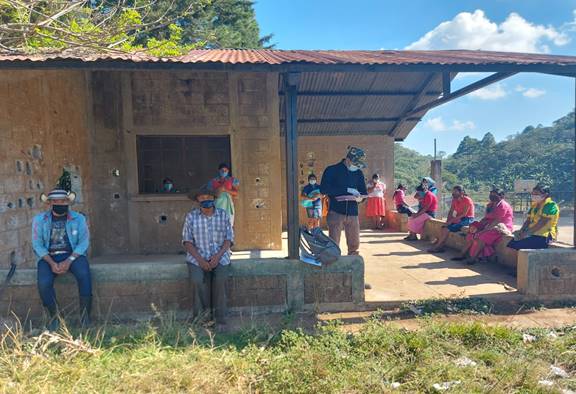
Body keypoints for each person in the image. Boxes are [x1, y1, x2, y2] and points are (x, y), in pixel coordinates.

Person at [32, 189, 92, 331]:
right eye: (56, 201)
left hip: (73, 255)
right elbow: (37, 244)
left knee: (84, 274)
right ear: (50, 203)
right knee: (44, 282)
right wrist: (52, 263)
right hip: (48, 256)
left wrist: (69, 260)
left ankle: (85, 317)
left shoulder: (78, 218)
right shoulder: (39, 220)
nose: (60, 203)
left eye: (63, 201)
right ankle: (56, 317)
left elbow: (84, 242)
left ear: (68, 202)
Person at [182, 186, 234, 327]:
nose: (206, 200)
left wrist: (217, 257)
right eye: (202, 197)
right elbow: (187, 241)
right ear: (197, 200)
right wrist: (200, 260)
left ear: (214, 199)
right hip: (197, 257)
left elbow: (228, 239)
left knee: (221, 279)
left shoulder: (223, 215)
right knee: (197, 280)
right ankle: (202, 319)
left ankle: (220, 320)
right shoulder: (191, 217)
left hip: (220, 256)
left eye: (209, 197)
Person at [320, 146, 368, 256]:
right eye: (355, 164)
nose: (356, 167)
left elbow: (363, 192)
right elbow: (324, 189)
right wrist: (346, 190)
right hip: (336, 211)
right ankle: (333, 261)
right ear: (348, 160)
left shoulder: (358, 173)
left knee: (354, 242)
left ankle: (353, 261)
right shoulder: (332, 170)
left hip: (352, 212)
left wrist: (360, 198)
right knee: (334, 242)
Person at [452, 188, 514, 264]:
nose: (492, 195)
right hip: (490, 224)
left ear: (501, 196)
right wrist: (479, 225)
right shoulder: (490, 205)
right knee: (471, 233)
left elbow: (497, 221)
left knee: (482, 236)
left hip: (502, 227)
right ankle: (462, 254)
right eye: (491, 193)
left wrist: (484, 230)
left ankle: (473, 258)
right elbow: (486, 218)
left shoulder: (503, 205)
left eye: (495, 194)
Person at [507, 184, 559, 250]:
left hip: (545, 236)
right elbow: (528, 220)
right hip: (533, 233)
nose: (533, 195)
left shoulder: (551, 205)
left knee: (518, 245)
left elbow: (542, 223)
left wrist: (526, 233)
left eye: (536, 194)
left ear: (545, 194)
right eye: (533, 193)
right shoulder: (534, 205)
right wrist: (521, 231)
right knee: (512, 244)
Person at [429, 185, 475, 253]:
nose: (453, 193)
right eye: (453, 191)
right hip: (458, 217)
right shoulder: (454, 200)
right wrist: (448, 221)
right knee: (444, 227)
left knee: (447, 229)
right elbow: (451, 211)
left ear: (461, 192)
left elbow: (464, 214)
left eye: (455, 191)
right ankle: (440, 246)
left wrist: (452, 220)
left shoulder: (467, 200)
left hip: (467, 219)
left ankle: (437, 247)